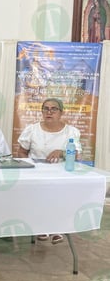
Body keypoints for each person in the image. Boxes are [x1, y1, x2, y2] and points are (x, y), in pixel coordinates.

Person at [17, 98, 82, 245]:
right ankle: (41, 227)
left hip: (62, 174)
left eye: (54, 109)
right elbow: (21, 152)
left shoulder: (71, 131)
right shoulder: (32, 130)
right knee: (39, 194)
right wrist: (30, 169)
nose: (49, 112)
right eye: (45, 108)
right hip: (36, 174)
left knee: (59, 193)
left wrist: (61, 152)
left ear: (61, 112)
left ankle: (57, 228)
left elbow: (77, 155)